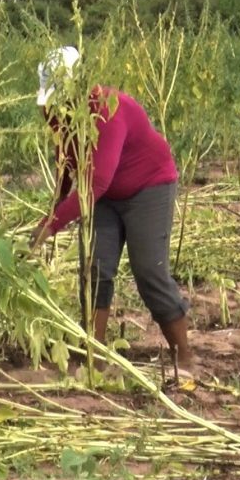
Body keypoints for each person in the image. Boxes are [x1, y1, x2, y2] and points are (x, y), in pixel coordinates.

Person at [29, 46, 195, 378]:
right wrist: (54, 206)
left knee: (149, 271)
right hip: (102, 195)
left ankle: (185, 359)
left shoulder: (108, 109)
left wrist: (51, 226)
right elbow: (68, 158)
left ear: (78, 84)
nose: (56, 104)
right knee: (94, 269)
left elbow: (98, 181)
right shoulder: (53, 109)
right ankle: (94, 359)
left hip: (147, 186)